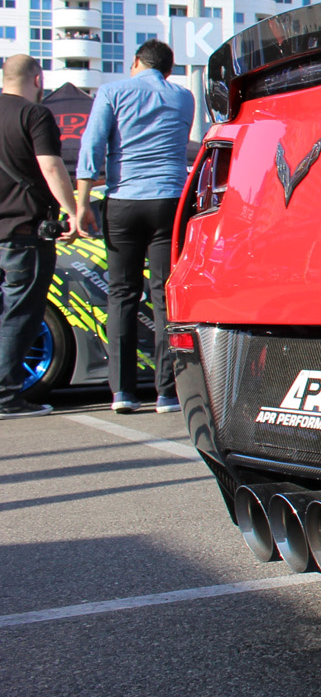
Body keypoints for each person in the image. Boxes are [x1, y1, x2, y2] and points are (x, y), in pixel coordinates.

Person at [75, 39, 194, 412]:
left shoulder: (111, 92)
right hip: (169, 202)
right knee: (163, 296)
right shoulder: (183, 98)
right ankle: (166, 393)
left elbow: (92, 146)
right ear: (168, 70)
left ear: (137, 61)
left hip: (125, 200)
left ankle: (122, 392)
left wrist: (80, 204)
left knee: (122, 295)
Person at [0, 55, 79, 418]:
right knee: (20, 314)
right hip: (23, 232)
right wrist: (72, 209)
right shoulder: (35, 114)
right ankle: (6, 395)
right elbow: (50, 165)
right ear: (38, 79)